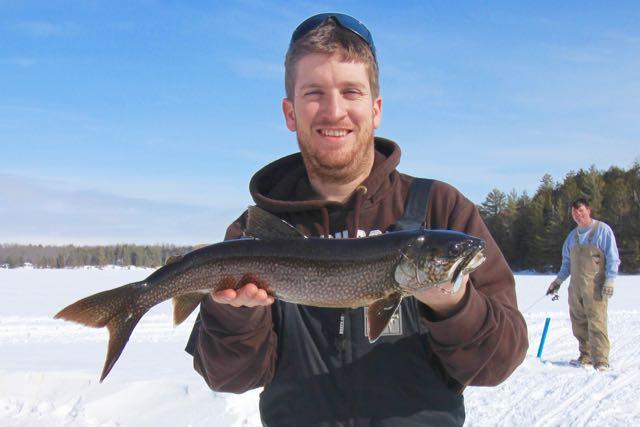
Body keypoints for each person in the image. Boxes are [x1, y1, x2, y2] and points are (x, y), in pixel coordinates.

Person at [188, 13, 528, 426]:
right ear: (290, 112)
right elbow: (229, 377)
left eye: (351, 91)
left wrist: (453, 304)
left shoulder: (442, 209)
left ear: (376, 107)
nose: (334, 111)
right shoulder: (255, 232)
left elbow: (498, 364)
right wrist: (236, 314)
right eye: (314, 93)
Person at [546, 197, 620, 371]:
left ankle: (601, 360)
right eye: (574, 212)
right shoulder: (572, 237)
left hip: (596, 287)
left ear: (588, 210)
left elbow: (613, 258)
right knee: (579, 323)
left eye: (581, 211)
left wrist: (610, 280)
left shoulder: (602, 231)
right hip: (576, 288)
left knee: (597, 322)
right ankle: (585, 356)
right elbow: (566, 264)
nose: (578, 215)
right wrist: (557, 281)